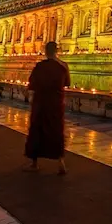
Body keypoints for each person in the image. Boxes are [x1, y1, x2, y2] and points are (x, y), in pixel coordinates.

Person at [24, 42, 71, 173]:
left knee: (37, 130)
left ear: (45, 51)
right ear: (57, 51)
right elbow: (67, 83)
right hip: (56, 103)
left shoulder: (40, 66)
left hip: (41, 102)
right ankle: (61, 162)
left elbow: (32, 83)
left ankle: (34, 163)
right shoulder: (63, 66)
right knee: (56, 130)